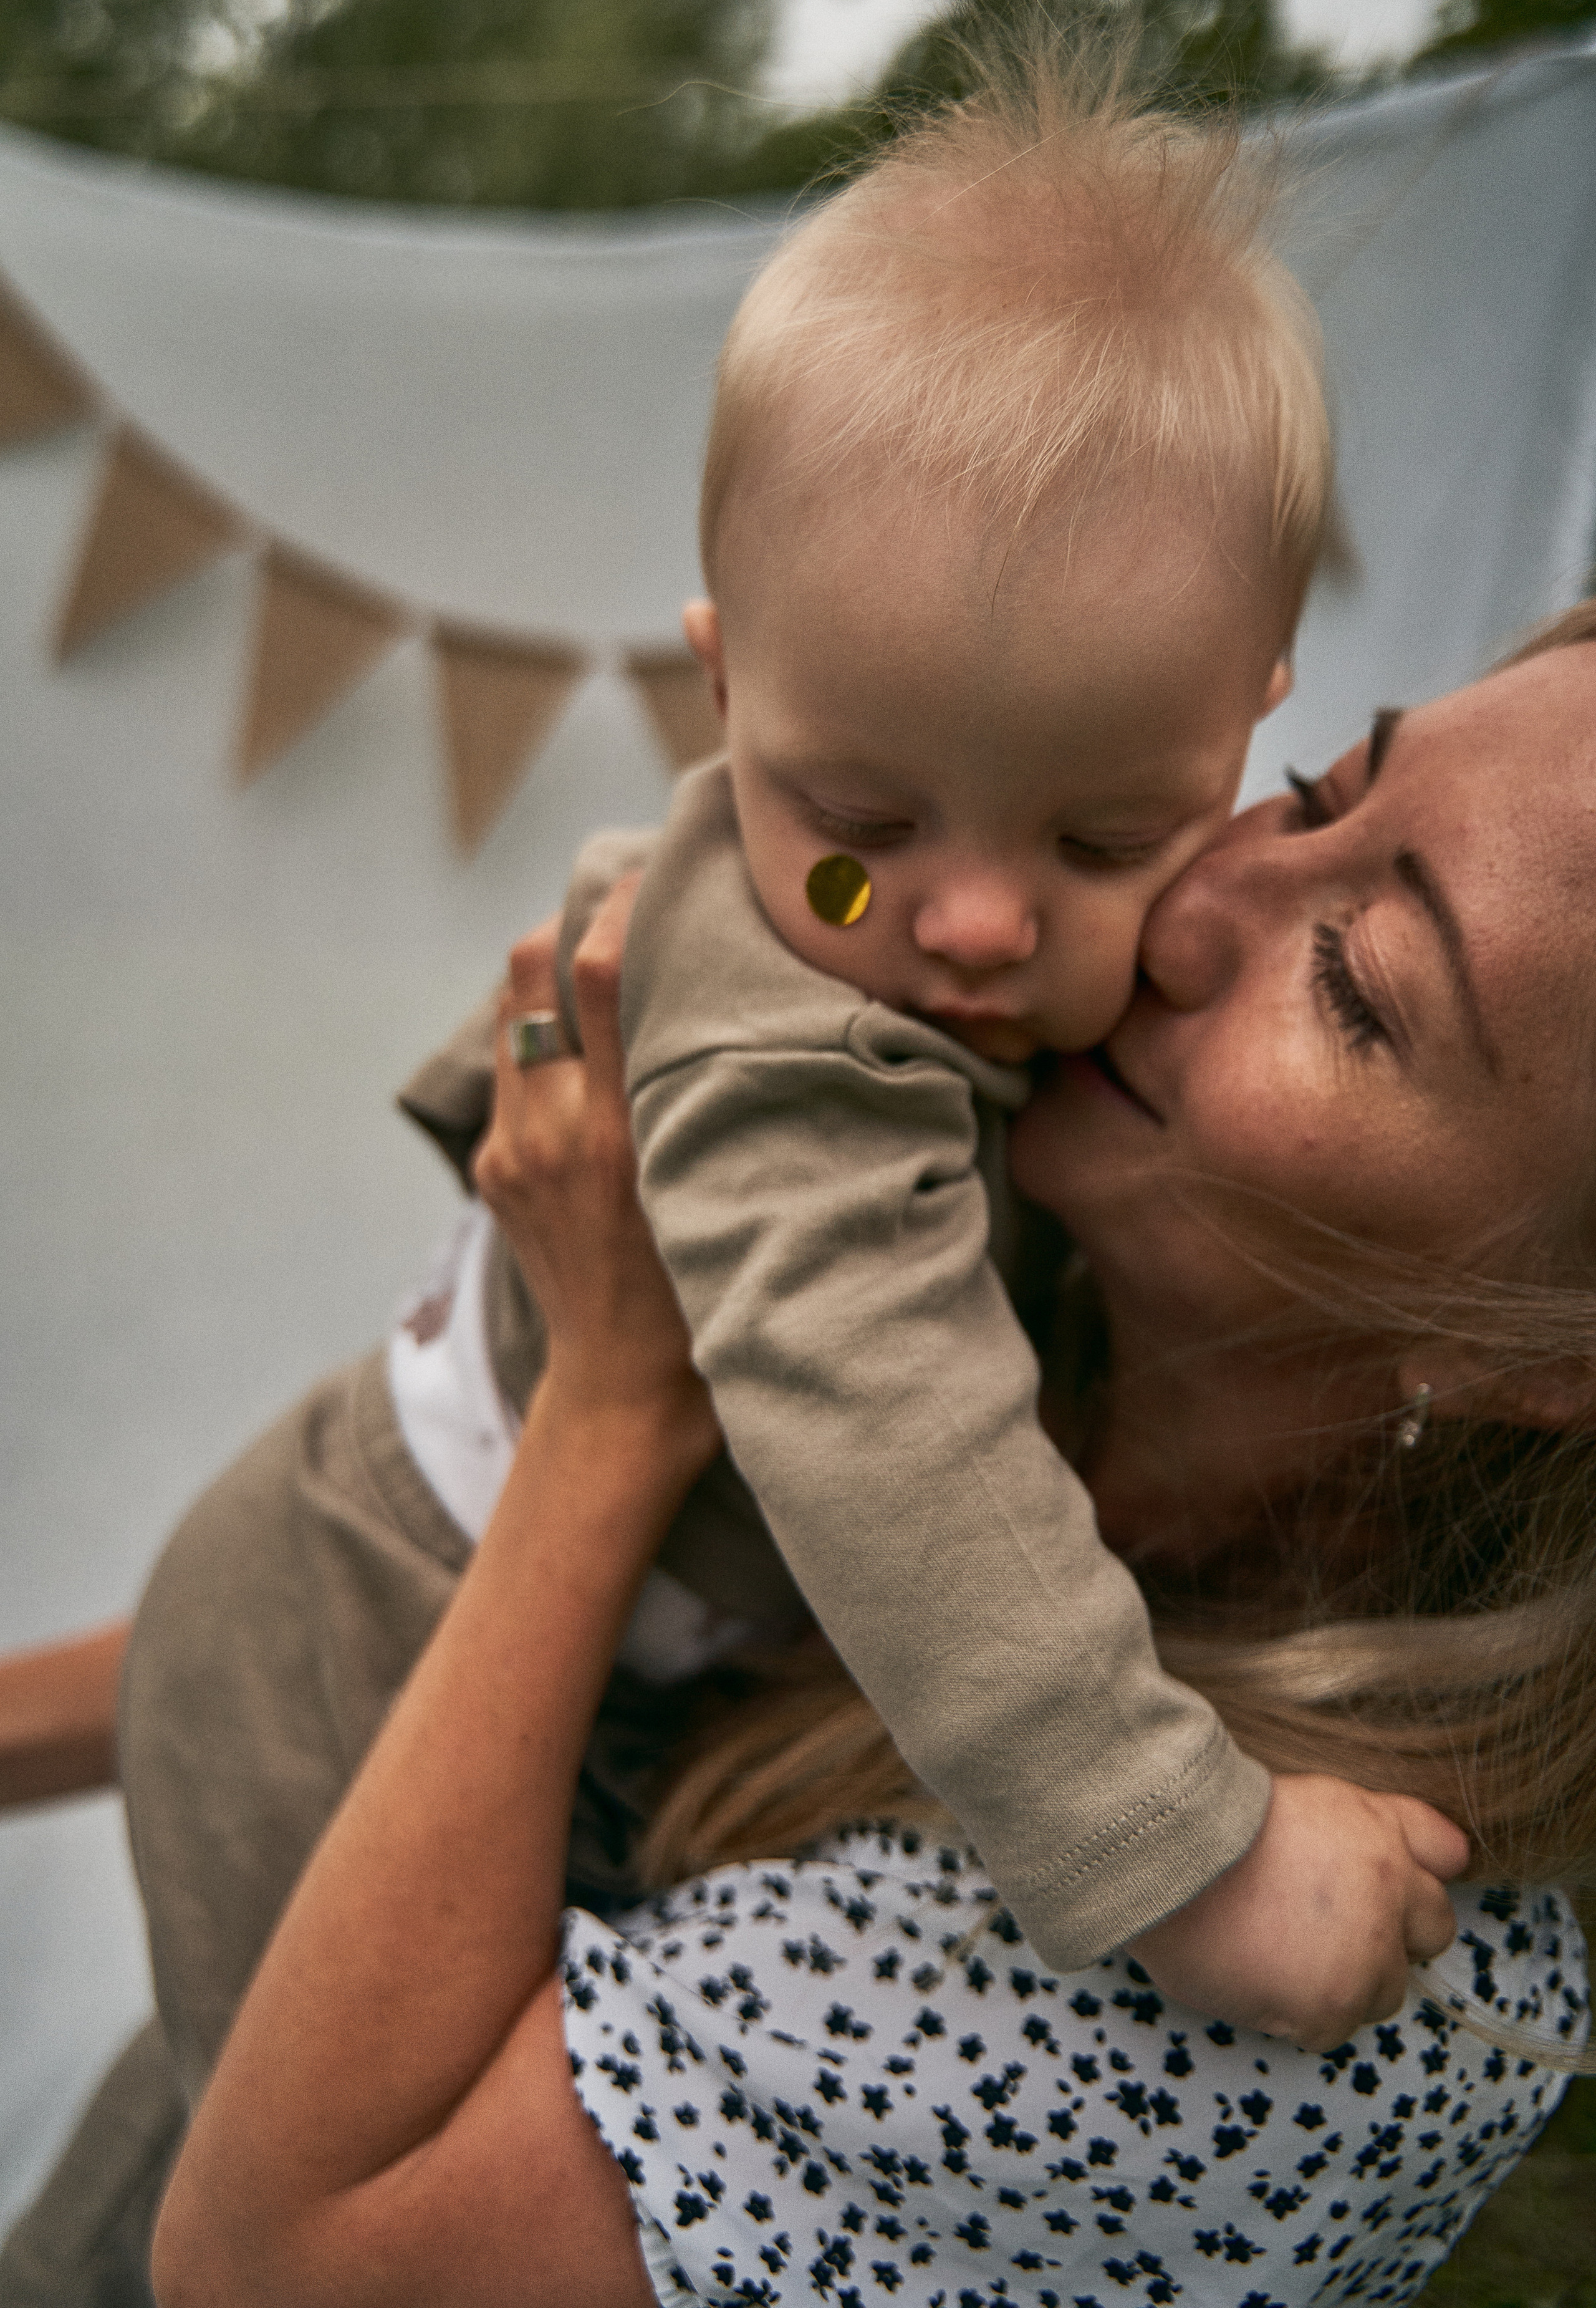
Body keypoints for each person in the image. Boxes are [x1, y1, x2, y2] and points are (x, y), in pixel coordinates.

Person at [148, 619, 1596, 2306]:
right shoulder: (1006, 1271)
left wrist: (619, 1396)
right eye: (1309, 791)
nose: (1191, 908)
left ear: (1540, 1353)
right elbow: (384, 1588)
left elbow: (270, 2271)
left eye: (1358, 985)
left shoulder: (1309, 2011)